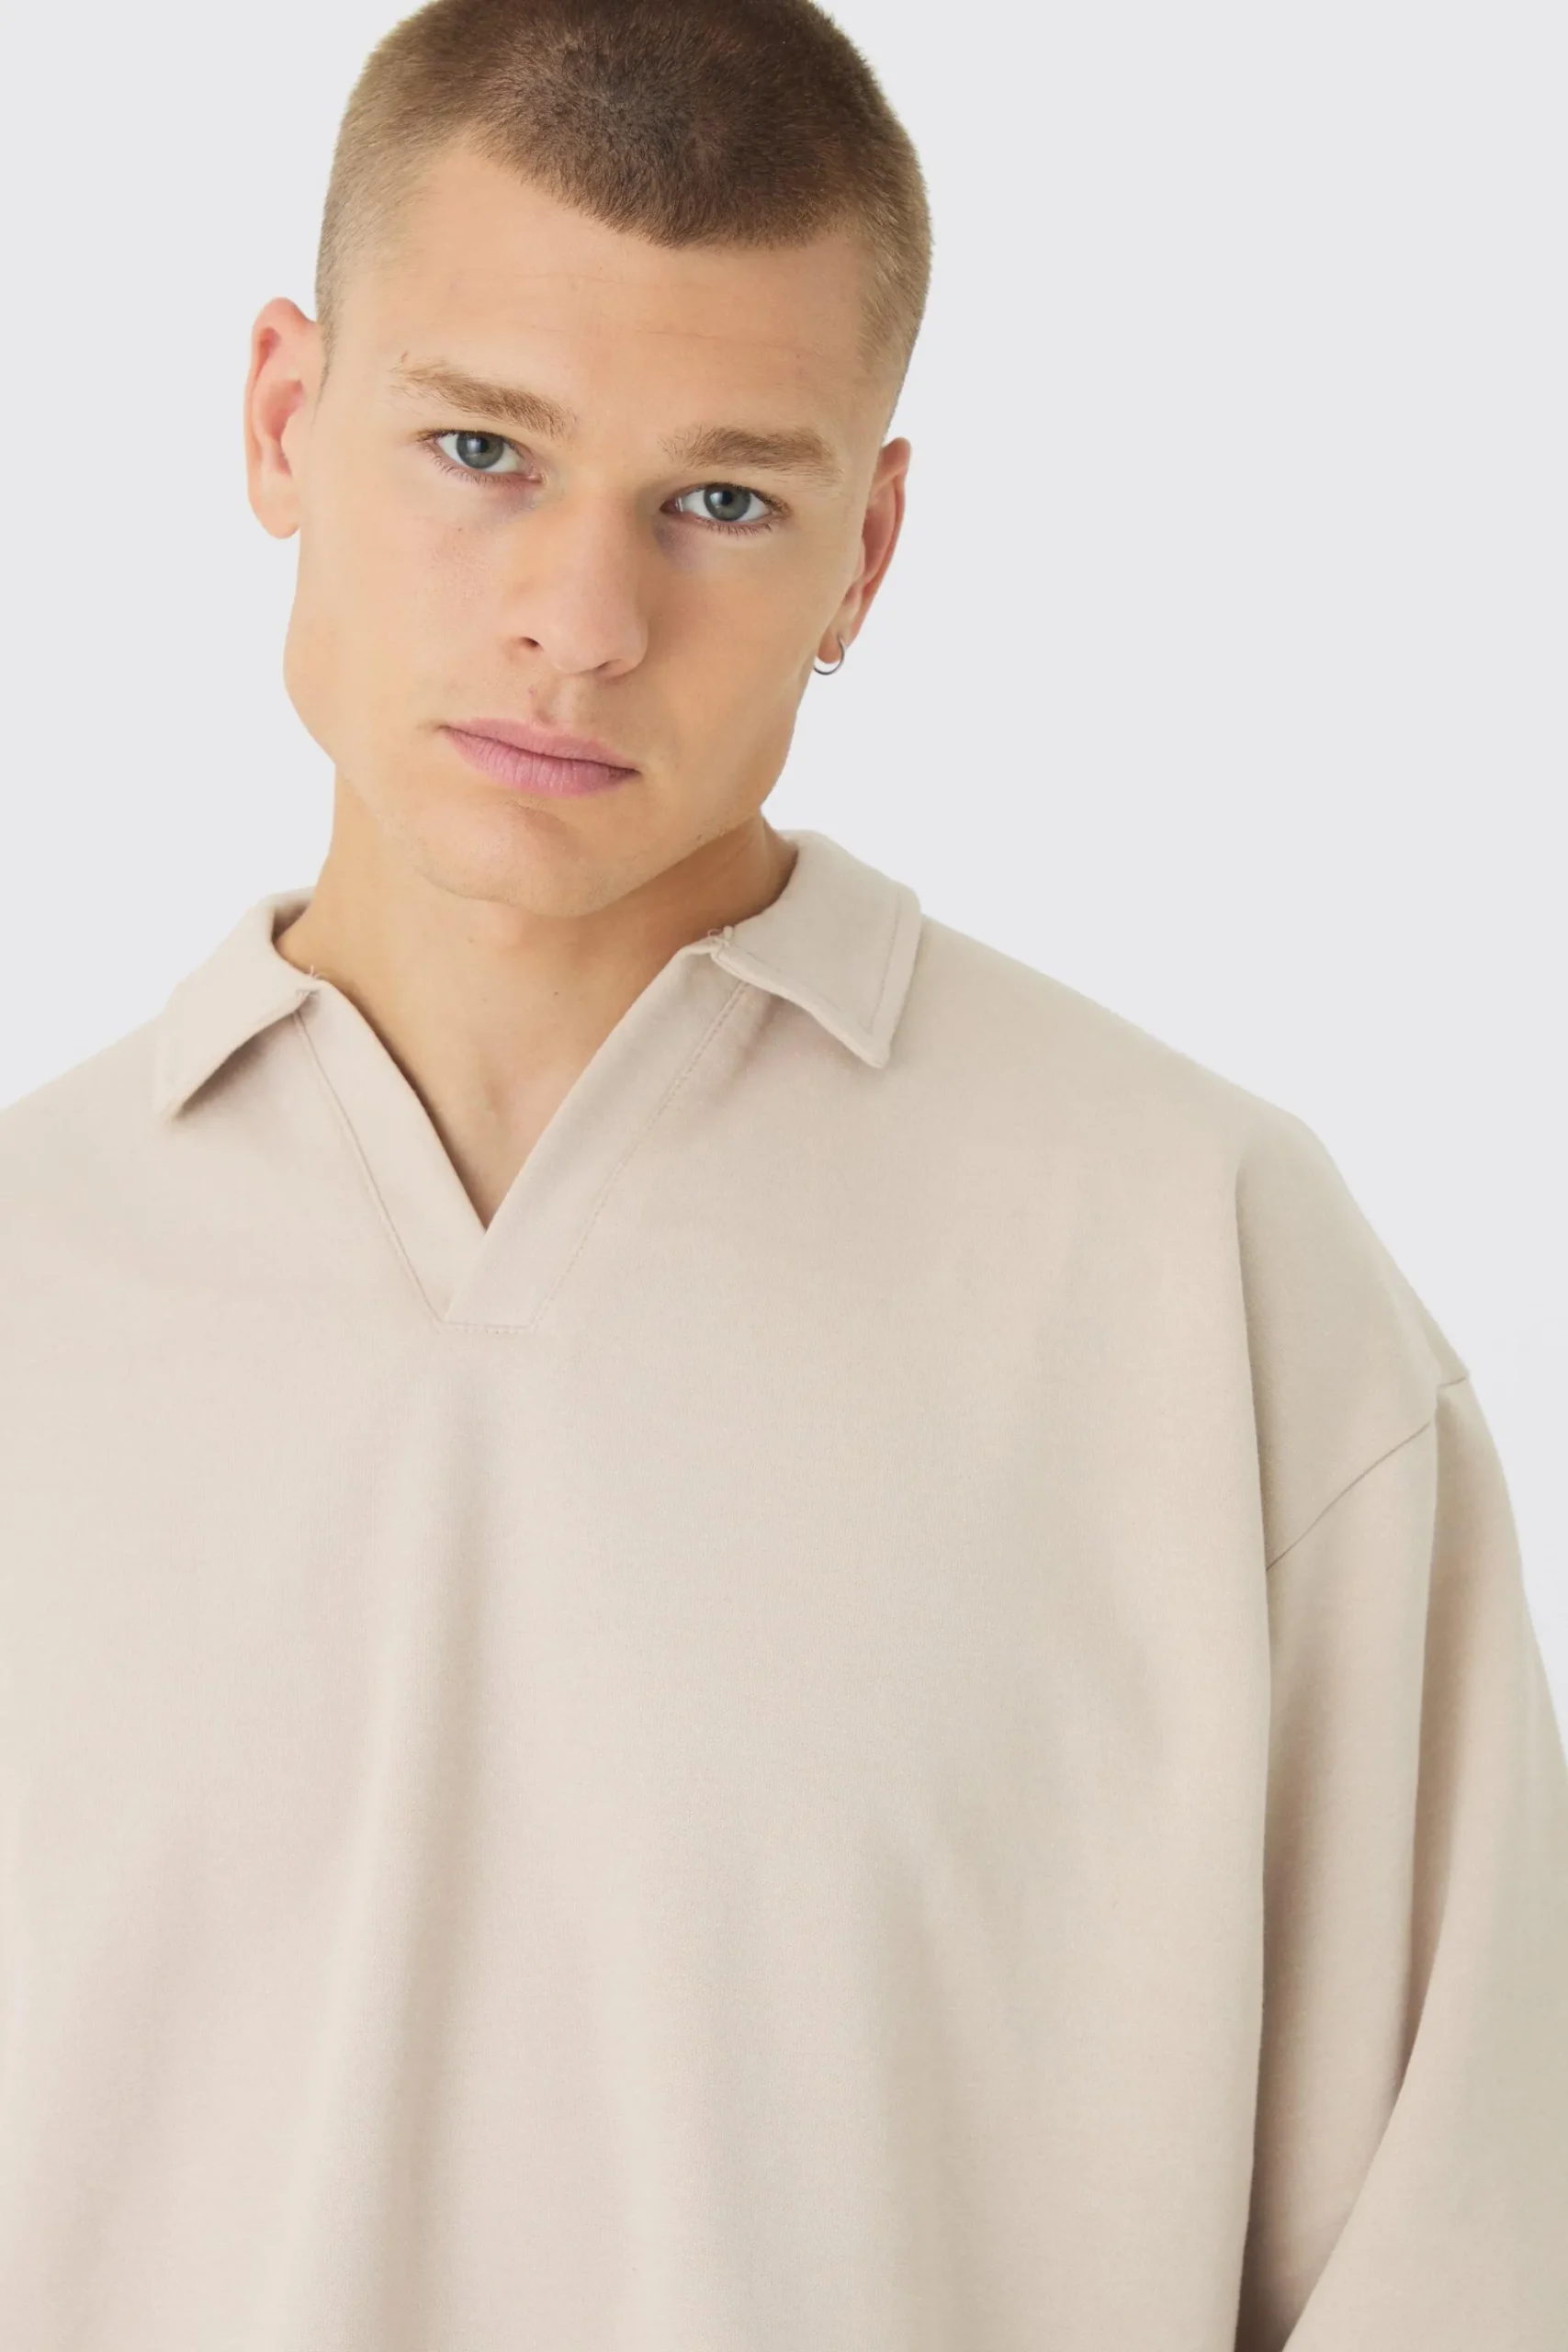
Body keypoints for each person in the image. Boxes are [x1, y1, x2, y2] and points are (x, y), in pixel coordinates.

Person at [0, 0, 1562, 2343]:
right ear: (282, 418)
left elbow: (1464, 2256)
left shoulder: (1195, 1275)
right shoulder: (28, 1283)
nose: (582, 620)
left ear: (868, 549)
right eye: (479, 448)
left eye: (720, 500)